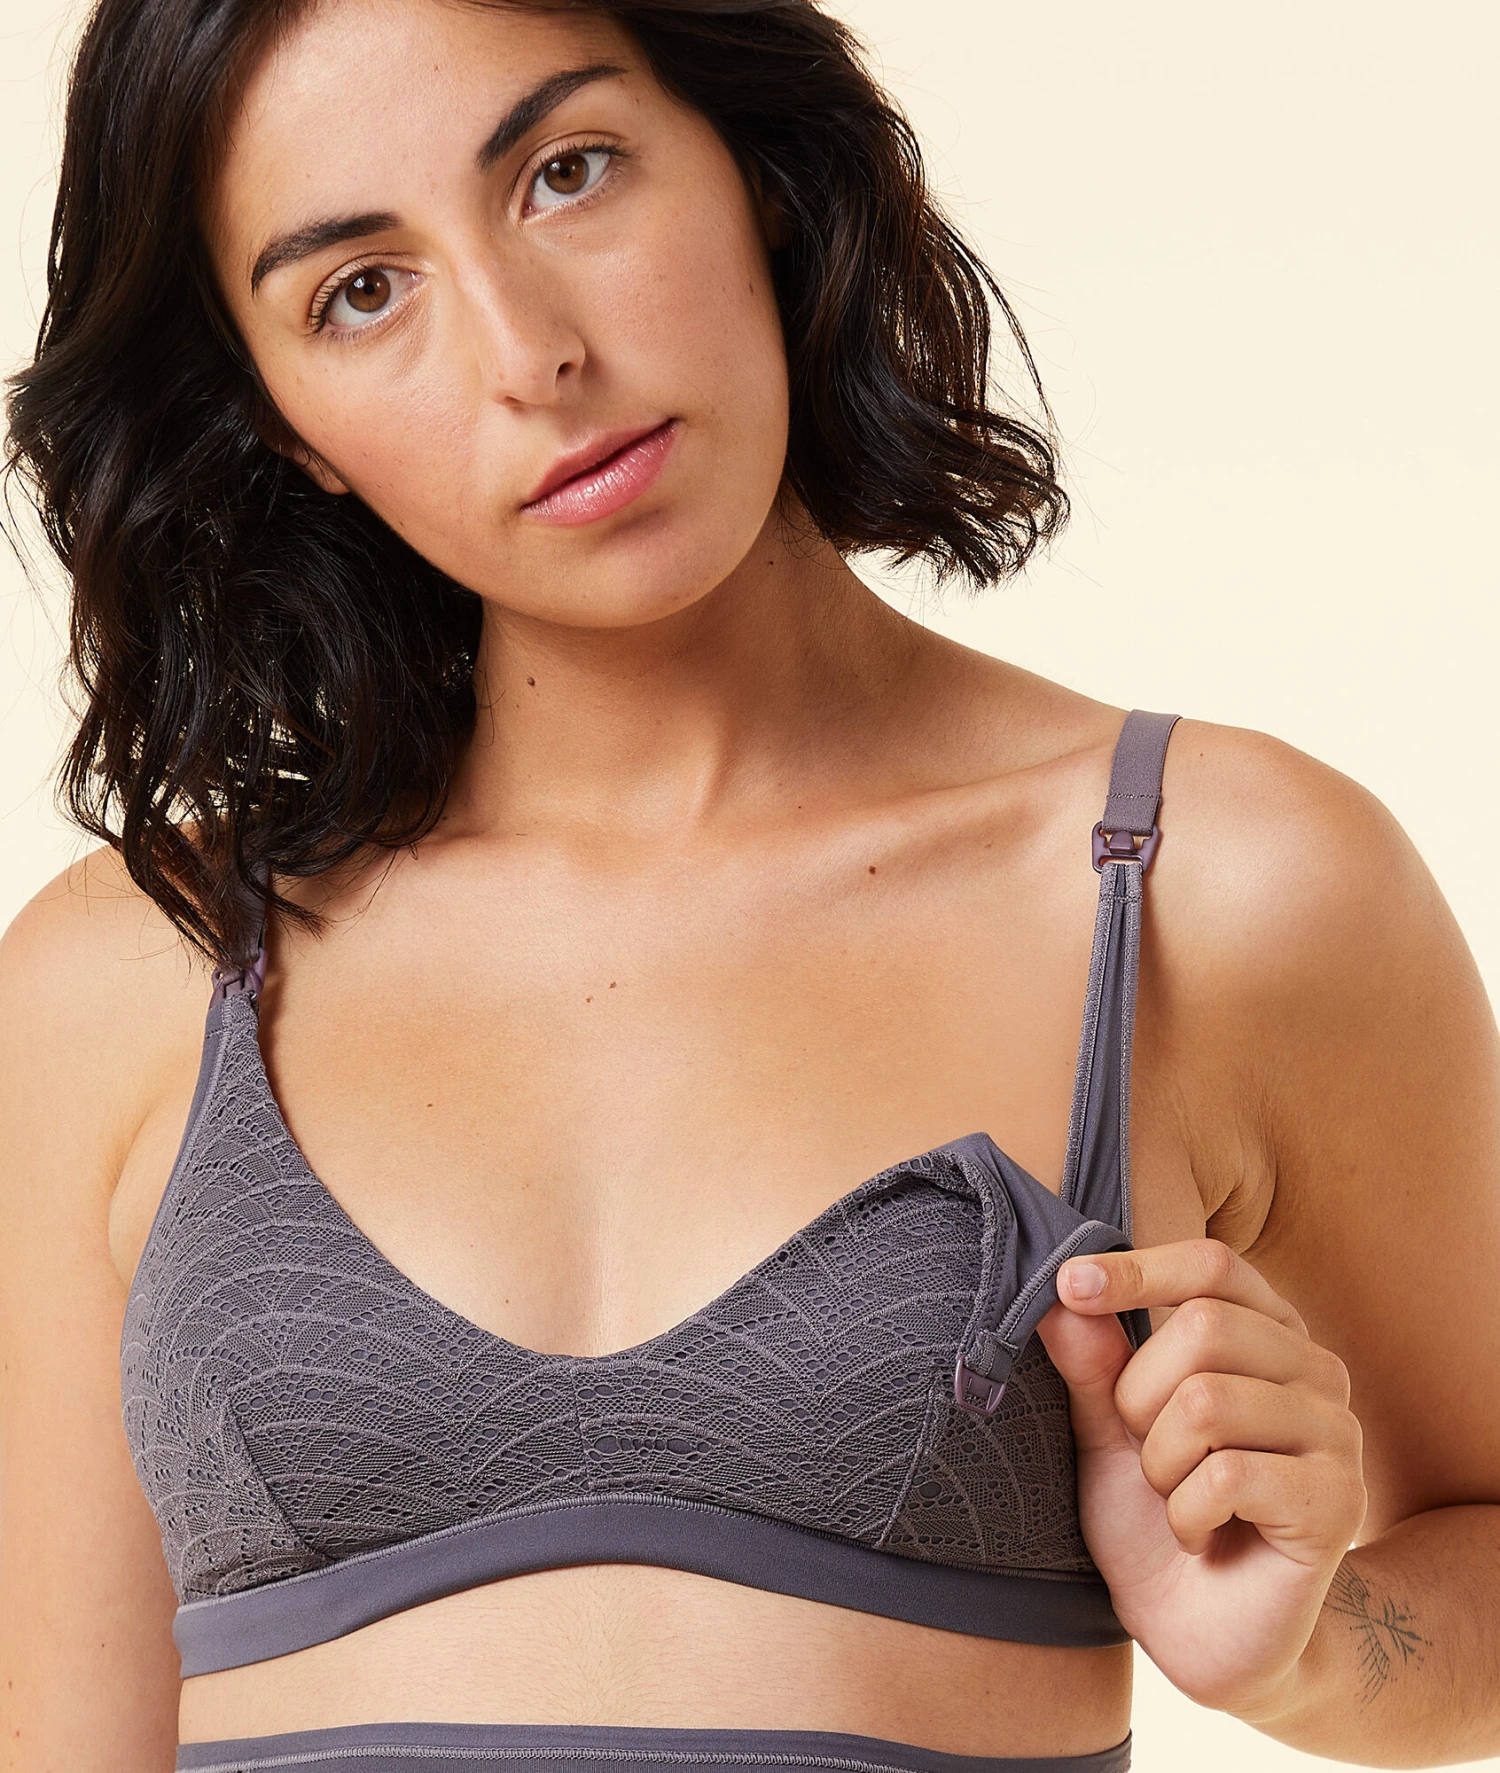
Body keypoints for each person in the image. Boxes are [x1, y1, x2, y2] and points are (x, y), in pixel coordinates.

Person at [2, 1, 1497, 1770]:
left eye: (568, 173)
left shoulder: (1203, 890)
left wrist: (1306, 1661)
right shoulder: (132, 978)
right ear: (285, 422)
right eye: (360, 290)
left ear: (755, 170)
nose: (531, 355)